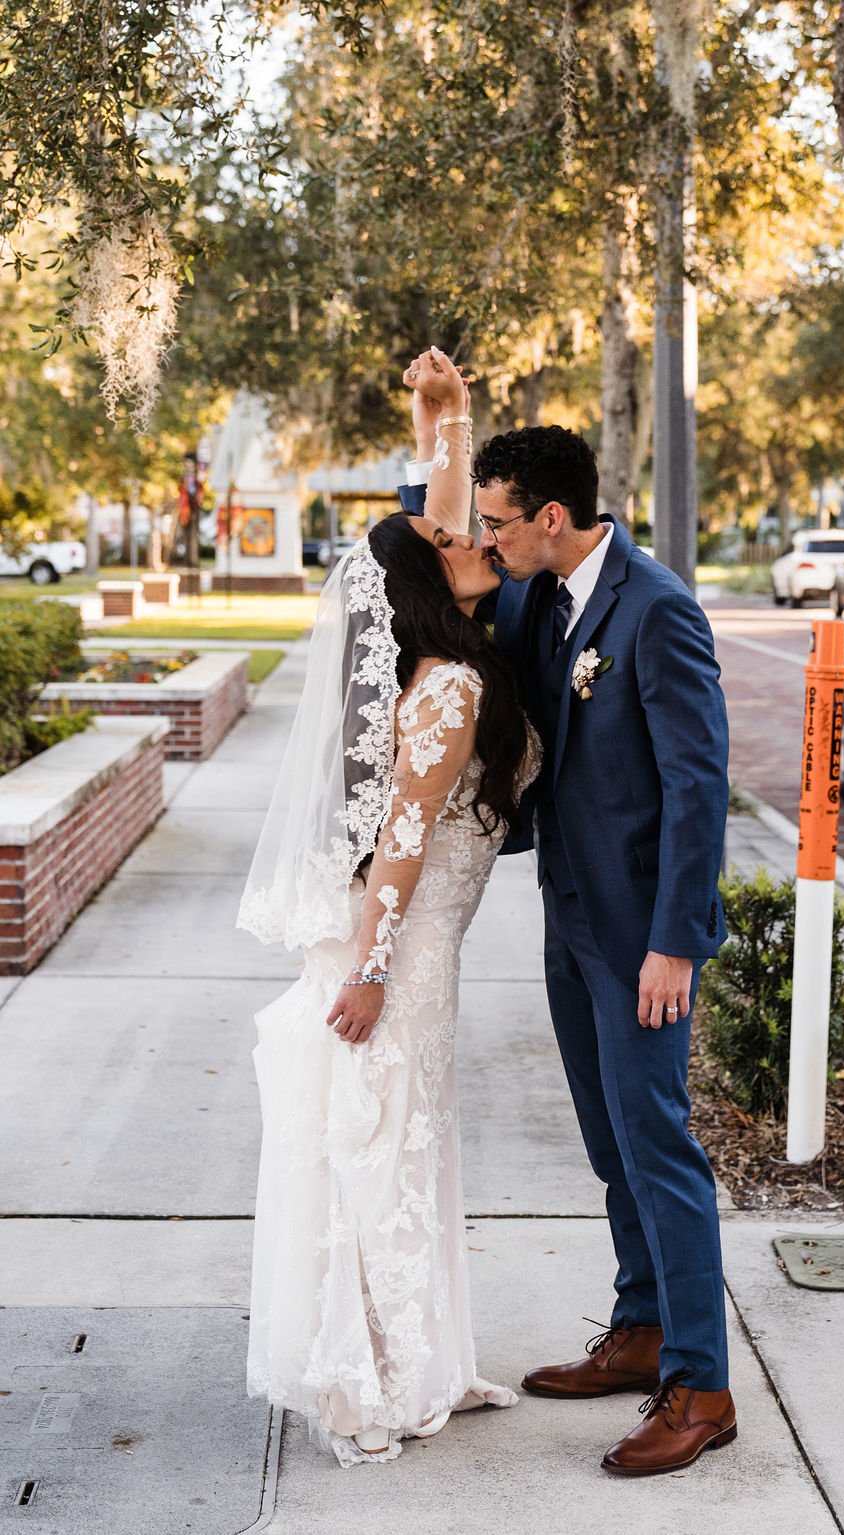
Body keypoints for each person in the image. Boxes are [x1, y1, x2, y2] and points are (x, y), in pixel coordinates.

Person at [400, 418, 735, 1477]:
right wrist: (438, 430)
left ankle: (701, 1381)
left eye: (502, 522)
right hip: (568, 915)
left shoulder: (661, 611)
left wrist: (675, 942)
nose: (487, 540)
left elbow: (695, 788)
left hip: (642, 938)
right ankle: (639, 1326)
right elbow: (433, 554)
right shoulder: (539, 592)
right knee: (608, 1144)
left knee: (659, 1147)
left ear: (552, 517)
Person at [238, 349, 538, 1466]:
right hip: (398, 959)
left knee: (409, 1149)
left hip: (418, 957)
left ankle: (424, 1356)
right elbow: (399, 847)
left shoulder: (442, 652)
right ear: (425, 585)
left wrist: (447, 424)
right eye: (451, 544)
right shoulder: (450, 683)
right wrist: (367, 970)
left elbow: (439, 528)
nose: (470, 539)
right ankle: (380, 1371)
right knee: (386, 1154)